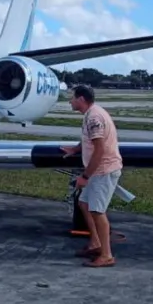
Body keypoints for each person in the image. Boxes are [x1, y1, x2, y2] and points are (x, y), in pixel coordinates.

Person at [60, 85, 123, 267]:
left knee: (97, 210)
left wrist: (85, 177)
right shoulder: (92, 114)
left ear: (81, 99)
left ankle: (107, 255)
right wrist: (76, 149)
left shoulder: (94, 117)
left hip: (103, 171)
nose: (69, 101)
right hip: (98, 170)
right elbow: (90, 139)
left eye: (72, 98)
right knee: (84, 203)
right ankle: (95, 243)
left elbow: (100, 149)